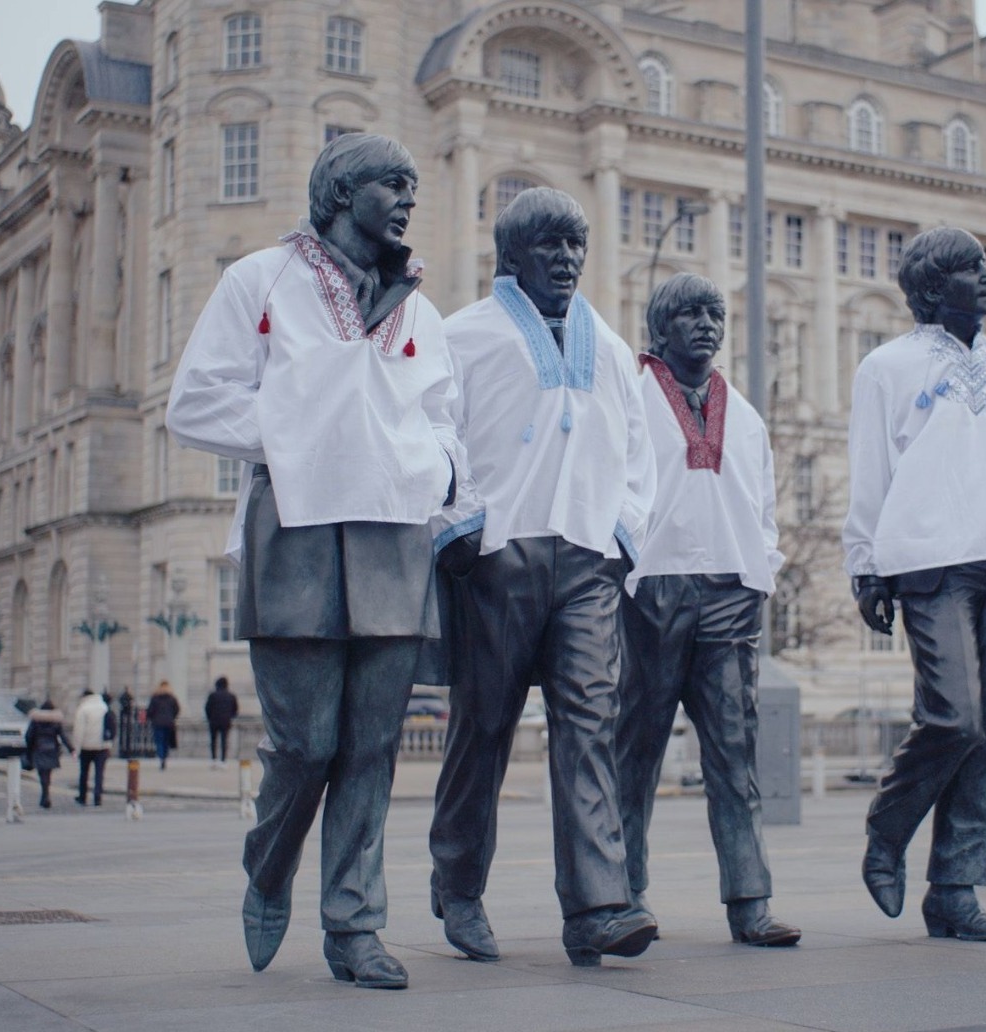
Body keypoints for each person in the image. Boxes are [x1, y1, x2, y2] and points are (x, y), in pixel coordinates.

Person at [167, 132, 467, 990]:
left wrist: (435, 468)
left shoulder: (423, 309)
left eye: (415, 184)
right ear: (339, 190)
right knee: (305, 746)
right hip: (294, 528)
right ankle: (269, 864)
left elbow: (444, 416)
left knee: (372, 749)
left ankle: (354, 924)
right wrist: (304, 442)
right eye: (391, 183)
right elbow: (195, 402)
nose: (409, 199)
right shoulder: (258, 280)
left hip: (394, 536)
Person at [429, 186, 657, 967]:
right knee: (482, 727)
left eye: (575, 245)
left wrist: (623, 534)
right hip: (501, 555)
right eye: (549, 245)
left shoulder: (616, 350)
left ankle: (596, 907)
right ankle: (458, 885)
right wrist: (464, 524)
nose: (566, 259)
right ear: (512, 255)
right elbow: (436, 435)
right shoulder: (463, 336)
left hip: (588, 561)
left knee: (591, 727)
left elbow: (638, 458)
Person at [842, 227, 986, 943]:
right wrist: (865, 565)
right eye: (972, 268)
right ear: (934, 288)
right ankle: (888, 825)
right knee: (955, 717)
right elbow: (871, 472)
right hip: (929, 564)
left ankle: (955, 890)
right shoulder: (887, 367)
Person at [616, 273, 799, 948]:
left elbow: (765, 507)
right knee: (634, 756)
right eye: (689, 314)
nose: (705, 325)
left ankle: (750, 901)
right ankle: (622, 896)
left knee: (734, 756)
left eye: (714, 313)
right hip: (652, 592)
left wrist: (761, 573)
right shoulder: (631, 400)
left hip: (727, 593)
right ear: (659, 329)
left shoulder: (744, 413)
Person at [23, 699, 72, 810]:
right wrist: (71, 749)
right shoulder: (56, 721)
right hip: (51, 749)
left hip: (39, 749)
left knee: (42, 774)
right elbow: (63, 736)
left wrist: (29, 750)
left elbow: (28, 736)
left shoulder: (36, 721)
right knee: (48, 774)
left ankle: (45, 795)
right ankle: (46, 795)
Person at [72, 688, 110, 806]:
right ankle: (97, 797)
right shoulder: (104, 707)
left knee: (84, 773)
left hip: (86, 746)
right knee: (99, 773)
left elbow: (79, 731)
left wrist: (76, 749)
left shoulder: (83, 709)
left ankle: (83, 797)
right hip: (103, 746)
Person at [204, 676, 239, 769]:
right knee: (224, 741)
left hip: (214, 721)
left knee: (213, 741)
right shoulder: (231, 696)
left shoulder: (212, 695)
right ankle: (223, 760)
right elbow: (235, 709)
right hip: (225, 721)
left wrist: (209, 717)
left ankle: (213, 759)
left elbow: (207, 708)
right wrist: (230, 717)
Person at [145, 681, 180, 771]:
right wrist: (172, 717)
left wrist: (151, 718)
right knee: (166, 742)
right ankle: (164, 757)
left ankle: (161, 757)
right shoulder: (172, 698)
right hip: (169, 722)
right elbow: (177, 709)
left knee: (159, 741)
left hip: (157, 722)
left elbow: (150, 711)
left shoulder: (155, 698)